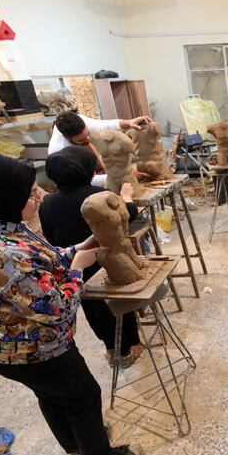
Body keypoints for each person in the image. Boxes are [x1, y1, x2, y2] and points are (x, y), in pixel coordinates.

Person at [0, 151, 139, 455]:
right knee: (83, 395)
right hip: (33, 349)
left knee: (52, 395)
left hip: (10, 348)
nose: (39, 196)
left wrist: (81, 245)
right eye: (30, 193)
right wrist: (77, 269)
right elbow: (56, 307)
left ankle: (76, 447)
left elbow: (43, 259)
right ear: (3, 197)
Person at [38, 146, 144, 368]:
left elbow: (50, 238)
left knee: (94, 310)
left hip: (75, 264)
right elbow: (129, 214)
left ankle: (112, 348)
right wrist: (126, 197)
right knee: (119, 306)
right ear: (86, 170)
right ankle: (129, 348)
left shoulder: (47, 203)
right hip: (106, 262)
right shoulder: (96, 197)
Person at [48, 110, 153, 186]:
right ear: (66, 138)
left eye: (88, 133)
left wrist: (129, 122)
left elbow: (104, 125)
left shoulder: (78, 120)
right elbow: (86, 181)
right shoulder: (59, 151)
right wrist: (121, 176)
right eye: (81, 140)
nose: (88, 139)